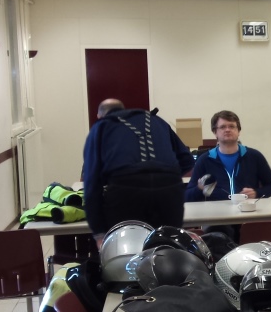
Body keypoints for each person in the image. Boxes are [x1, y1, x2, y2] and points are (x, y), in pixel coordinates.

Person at [82, 99, 194, 241]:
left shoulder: (101, 126)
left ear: (100, 116)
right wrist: (164, 177)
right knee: (168, 246)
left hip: (126, 190)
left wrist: (98, 232)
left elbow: (91, 182)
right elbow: (187, 160)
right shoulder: (157, 121)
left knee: (128, 249)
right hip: (169, 190)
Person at [185, 111, 271, 241]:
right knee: (220, 238)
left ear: (238, 131)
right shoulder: (205, 160)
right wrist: (199, 189)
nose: (227, 130)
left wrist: (257, 193)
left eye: (232, 126)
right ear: (215, 132)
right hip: (217, 218)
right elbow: (187, 195)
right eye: (222, 127)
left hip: (249, 215)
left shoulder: (254, 156)